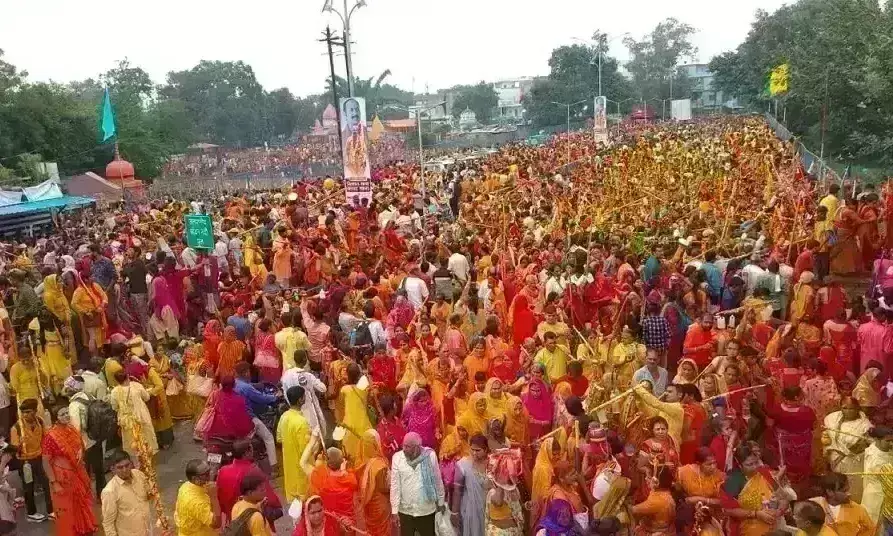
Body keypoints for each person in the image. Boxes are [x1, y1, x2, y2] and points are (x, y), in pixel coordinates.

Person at [42, 405, 98, 536]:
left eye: (67, 412)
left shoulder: (72, 429)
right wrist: (54, 482)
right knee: (67, 507)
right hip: (62, 477)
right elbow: (45, 462)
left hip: (77, 472)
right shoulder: (51, 437)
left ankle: (84, 527)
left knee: (81, 501)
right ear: (56, 418)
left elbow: (80, 448)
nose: (66, 416)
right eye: (62, 414)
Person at [390, 432, 446, 536]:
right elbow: (395, 486)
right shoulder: (397, 458)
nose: (404, 449)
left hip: (426, 509)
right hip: (406, 511)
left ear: (416, 448)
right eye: (403, 445)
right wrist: (394, 510)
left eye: (408, 447)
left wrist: (441, 502)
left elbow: (437, 480)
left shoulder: (430, 456)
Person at [721, 444, 783, 536]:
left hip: (773, 523)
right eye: (749, 464)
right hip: (748, 528)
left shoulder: (763, 472)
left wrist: (779, 511)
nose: (754, 467)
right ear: (739, 465)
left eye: (756, 462)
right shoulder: (734, 480)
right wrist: (757, 514)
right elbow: (728, 510)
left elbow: (781, 496)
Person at [216, 439, 280, 525]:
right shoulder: (254, 471)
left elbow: (219, 496)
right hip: (252, 519)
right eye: (252, 449)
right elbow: (269, 497)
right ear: (246, 453)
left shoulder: (223, 471)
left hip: (232, 518)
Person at [823, 397, 872, 502]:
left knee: (853, 486)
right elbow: (827, 439)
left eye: (852, 408)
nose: (848, 411)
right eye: (845, 408)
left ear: (857, 409)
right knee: (837, 484)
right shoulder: (831, 420)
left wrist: (846, 453)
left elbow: (867, 444)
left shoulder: (865, 426)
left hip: (854, 463)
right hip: (836, 461)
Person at [11, 398, 52, 522]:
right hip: (25, 462)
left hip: (39, 458)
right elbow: (14, 450)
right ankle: (31, 513)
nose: (26, 415)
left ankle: (51, 510)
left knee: (47, 483)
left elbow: (46, 439)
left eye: (29, 412)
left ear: (35, 411)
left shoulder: (40, 421)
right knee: (28, 486)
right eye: (24, 412)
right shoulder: (17, 428)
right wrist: (20, 445)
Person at [233, 362, 279, 471]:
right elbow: (261, 398)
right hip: (249, 417)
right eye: (248, 371)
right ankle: (274, 467)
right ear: (245, 372)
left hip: (235, 418)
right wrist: (275, 397)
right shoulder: (246, 387)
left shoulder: (235, 383)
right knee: (268, 437)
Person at [66, 375, 106, 497]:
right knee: (99, 470)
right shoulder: (90, 396)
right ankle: (102, 494)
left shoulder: (74, 405)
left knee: (86, 472)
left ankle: (87, 496)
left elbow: (76, 427)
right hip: (96, 439)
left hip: (85, 443)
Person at [109, 370, 159, 459]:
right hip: (141, 416)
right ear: (127, 376)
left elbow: (114, 407)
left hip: (127, 420)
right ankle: (148, 454)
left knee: (131, 439)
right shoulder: (136, 386)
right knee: (146, 435)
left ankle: (136, 456)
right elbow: (147, 397)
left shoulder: (114, 392)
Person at [101, 450, 152, 536]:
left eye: (127, 465)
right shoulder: (110, 491)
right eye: (120, 467)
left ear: (131, 464)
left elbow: (148, 495)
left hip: (147, 530)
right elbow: (108, 523)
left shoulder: (139, 475)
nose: (125, 470)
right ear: (112, 469)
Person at [809, 472, 874, 536]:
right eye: (844, 491)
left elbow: (869, 528)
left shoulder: (857, 509)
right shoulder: (814, 506)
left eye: (848, 490)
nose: (849, 494)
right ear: (829, 492)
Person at [281, 350, 328, 438]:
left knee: (300, 435)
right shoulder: (308, 376)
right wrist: (322, 379)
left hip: (294, 410)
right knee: (314, 434)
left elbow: (285, 393)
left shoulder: (286, 375)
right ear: (304, 360)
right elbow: (323, 388)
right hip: (310, 410)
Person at [278, 385, 312, 502]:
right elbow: (306, 449)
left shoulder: (284, 416)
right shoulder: (302, 422)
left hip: (289, 468)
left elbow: (279, 438)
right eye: (304, 396)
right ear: (300, 400)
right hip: (300, 471)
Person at [451, 434, 489, 535]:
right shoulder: (463, 464)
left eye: (478, 450)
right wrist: (454, 512)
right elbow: (457, 491)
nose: (474, 453)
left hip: (489, 509)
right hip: (471, 510)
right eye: (472, 449)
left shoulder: (492, 463)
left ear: (486, 450)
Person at [174, 459, 222, 536]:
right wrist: (214, 497)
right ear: (195, 479)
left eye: (209, 471)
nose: (210, 476)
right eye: (206, 474)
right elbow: (217, 524)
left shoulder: (185, 485)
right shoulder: (197, 503)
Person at [359, 430, 391, 536]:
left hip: (369, 508)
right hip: (380, 508)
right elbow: (384, 488)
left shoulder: (359, 464)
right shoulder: (379, 465)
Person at [231, 471, 275, 536]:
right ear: (250, 493)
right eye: (262, 490)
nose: (265, 492)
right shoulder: (256, 517)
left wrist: (259, 506)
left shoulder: (236, 506)